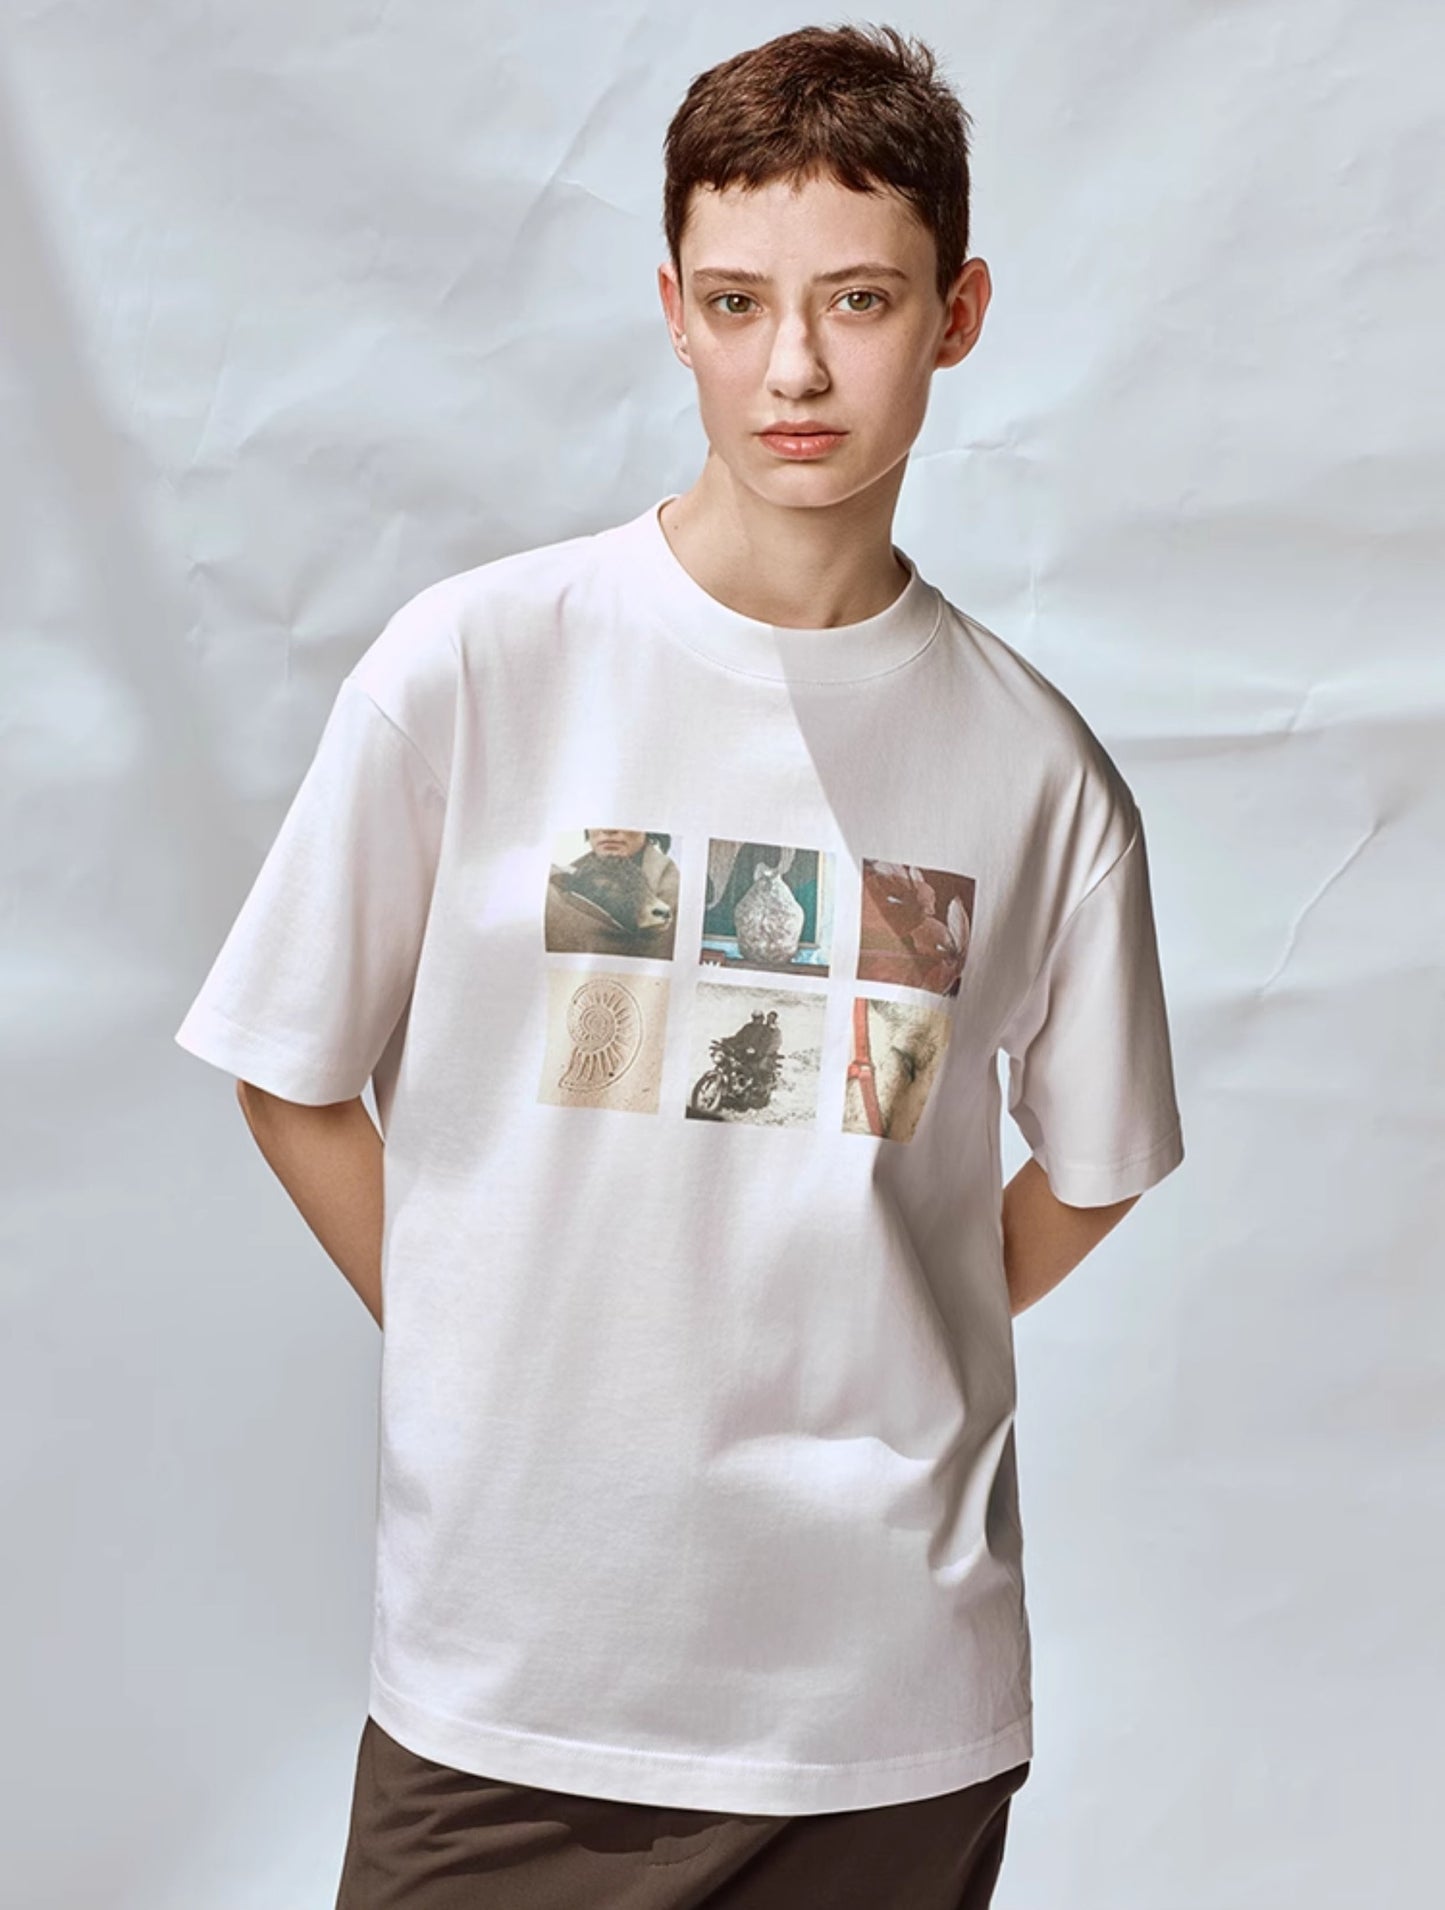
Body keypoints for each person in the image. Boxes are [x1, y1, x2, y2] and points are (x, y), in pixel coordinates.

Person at [174, 22, 1185, 1908]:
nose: (794, 366)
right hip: (515, 1678)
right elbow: (288, 1071)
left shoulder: (1031, 768)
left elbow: (1099, 1162)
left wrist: (878, 1334)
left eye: (858, 300)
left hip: (886, 1704)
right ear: (673, 313)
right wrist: (489, 1338)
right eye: (738, 302)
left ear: (955, 315)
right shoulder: (477, 668)